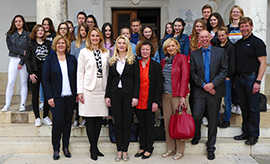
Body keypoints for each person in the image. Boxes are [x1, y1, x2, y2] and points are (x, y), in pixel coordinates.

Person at [190, 30, 227, 160]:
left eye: (206, 37)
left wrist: (212, 84)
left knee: (212, 120)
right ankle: (197, 135)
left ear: (210, 37)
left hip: (214, 91)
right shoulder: (194, 54)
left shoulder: (220, 52)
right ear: (198, 39)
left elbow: (224, 71)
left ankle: (211, 147)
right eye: (202, 37)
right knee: (196, 115)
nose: (204, 39)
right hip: (200, 90)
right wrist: (204, 85)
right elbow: (193, 73)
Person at [42, 35, 77, 160]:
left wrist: (77, 94)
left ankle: (66, 147)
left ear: (67, 45)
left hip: (70, 97)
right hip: (56, 97)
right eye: (59, 43)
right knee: (57, 123)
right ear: (55, 45)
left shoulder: (72, 59)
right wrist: (49, 97)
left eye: (63, 43)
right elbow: (45, 81)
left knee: (68, 123)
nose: (61, 45)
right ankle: (56, 148)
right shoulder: (49, 60)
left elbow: (76, 78)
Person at [105, 35, 139, 162]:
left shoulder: (133, 60)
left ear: (127, 45)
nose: (121, 45)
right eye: (119, 43)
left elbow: (137, 80)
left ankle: (125, 150)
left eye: (123, 43)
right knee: (117, 123)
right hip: (115, 94)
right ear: (116, 45)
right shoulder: (112, 60)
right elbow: (110, 79)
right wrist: (107, 96)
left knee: (127, 123)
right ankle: (119, 150)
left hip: (128, 95)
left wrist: (135, 96)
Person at [77, 27, 110, 161]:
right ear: (89, 38)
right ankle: (93, 148)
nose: (95, 38)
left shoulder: (106, 52)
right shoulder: (84, 52)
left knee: (98, 120)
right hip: (88, 90)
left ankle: (95, 147)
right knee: (90, 120)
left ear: (100, 38)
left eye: (97, 36)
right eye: (93, 36)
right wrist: (80, 91)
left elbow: (109, 71)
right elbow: (80, 72)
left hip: (102, 90)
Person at [233, 17, 267, 146]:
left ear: (251, 27)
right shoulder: (239, 43)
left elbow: (263, 63)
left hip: (252, 79)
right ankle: (245, 132)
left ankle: (253, 135)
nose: (244, 29)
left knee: (253, 108)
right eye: (242, 26)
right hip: (239, 79)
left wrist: (258, 82)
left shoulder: (258, 42)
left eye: (246, 26)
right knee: (244, 108)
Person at [161, 38, 189, 160]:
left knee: (179, 122)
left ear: (177, 46)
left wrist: (183, 95)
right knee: (168, 123)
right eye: (168, 47)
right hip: (165, 95)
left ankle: (180, 150)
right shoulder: (163, 61)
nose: (171, 48)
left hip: (178, 95)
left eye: (173, 46)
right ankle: (170, 149)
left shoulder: (182, 58)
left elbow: (185, 77)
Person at [134, 40, 162, 159]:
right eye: (143, 49)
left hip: (150, 100)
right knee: (141, 124)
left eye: (147, 49)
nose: (145, 51)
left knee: (149, 124)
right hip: (138, 99)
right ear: (140, 51)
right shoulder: (135, 64)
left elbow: (159, 85)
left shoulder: (156, 66)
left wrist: (156, 101)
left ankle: (149, 148)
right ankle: (142, 146)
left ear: (151, 51)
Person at [25, 24, 52, 127]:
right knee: (35, 95)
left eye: (42, 30)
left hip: (46, 72)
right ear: (35, 32)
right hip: (35, 72)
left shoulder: (48, 43)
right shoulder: (30, 43)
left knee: (47, 94)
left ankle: (45, 116)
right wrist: (30, 73)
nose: (40, 32)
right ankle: (37, 117)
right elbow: (27, 59)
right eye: (38, 30)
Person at [2, 15, 30, 112]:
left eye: (20, 21)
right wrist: (22, 52)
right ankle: (7, 104)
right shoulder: (10, 34)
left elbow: (28, 50)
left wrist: (22, 62)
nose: (18, 23)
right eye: (16, 21)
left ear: (23, 22)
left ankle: (22, 104)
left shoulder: (28, 34)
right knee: (10, 82)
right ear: (14, 23)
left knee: (23, 82)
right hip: (13, 60)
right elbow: (11, 48)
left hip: (24, 61)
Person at [227, 5, 244, 115]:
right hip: (230, 58)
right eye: (233, 12)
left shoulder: (243, 27)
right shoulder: (227, 27)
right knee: (231, 82)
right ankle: (233, 103)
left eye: (237, 12)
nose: (235, 13)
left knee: (239, 83)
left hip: (241, 58)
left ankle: (239, 104)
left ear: (241, 14)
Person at [70, 23, 88, 127]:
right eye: (81, 30)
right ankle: (76, 118)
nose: (83, 32)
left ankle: (85, 118)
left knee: (85, 96)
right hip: (77, 73)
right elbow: (72, 59)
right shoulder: (74, 44)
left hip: (87, 73)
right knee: (77, 96)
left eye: (85, 30)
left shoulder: (89, 44)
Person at [217, 26, 235, 128]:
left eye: (223, 35)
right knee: (217, 99)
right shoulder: (217, 46)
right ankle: (218, 119)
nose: (221, 37)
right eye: (219, 35)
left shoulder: (231, 47)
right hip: (217, 77)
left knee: (227, 100)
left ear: (227, 35)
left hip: (226, 77)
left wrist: (228, 76)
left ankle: (227, 120)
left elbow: (232, 63)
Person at [41, 17, 56, 110]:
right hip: (42, 61)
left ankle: (51, 99)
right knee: (43, 82)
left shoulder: (54, 35)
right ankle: (42, 101)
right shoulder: (41, 35)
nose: (46, 26)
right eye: (44, 24)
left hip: (52, 60)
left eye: (47, 24)